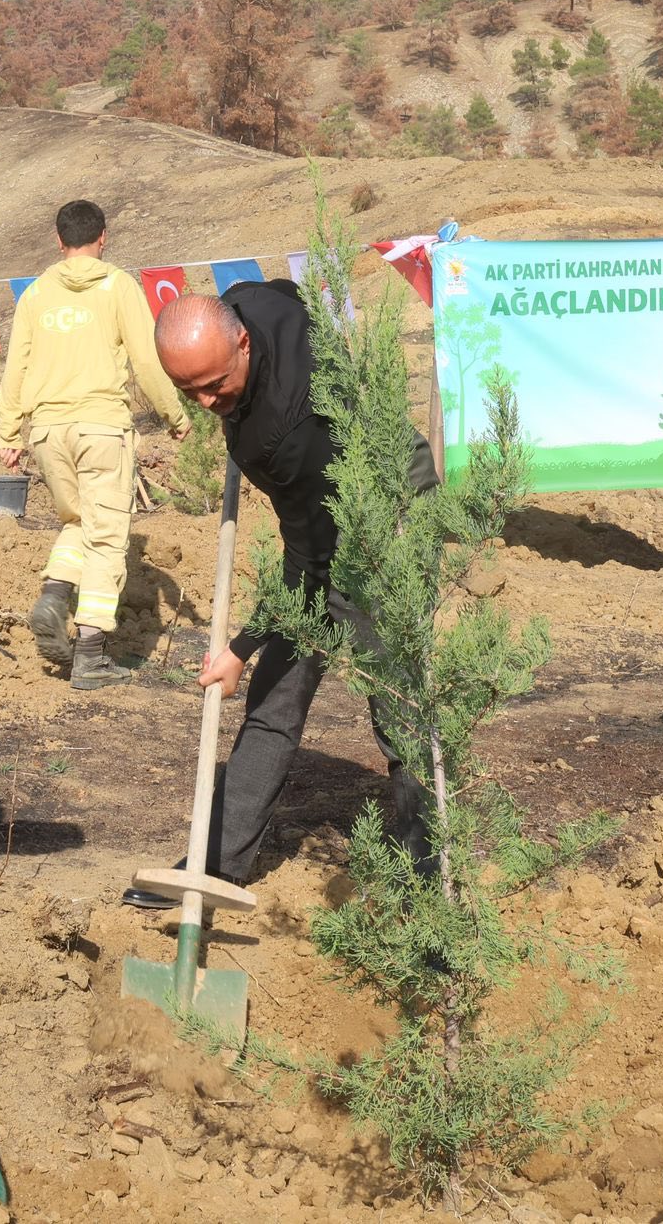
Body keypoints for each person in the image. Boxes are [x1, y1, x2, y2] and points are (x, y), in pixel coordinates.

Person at [123, 284, 438, 907]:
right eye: (191, 392)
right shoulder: (247, 302)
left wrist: (240, 646)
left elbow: (309, 562)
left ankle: (426, 881)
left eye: (216, 385)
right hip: (322, 504)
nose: (208, 403)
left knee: (398, 705)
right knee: (275, 696)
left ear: (241, 342)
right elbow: (289, 292)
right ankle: (218, 863)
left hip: (389, 520)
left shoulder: (282, 432)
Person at [0, 200, 191, 690]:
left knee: (79, 521)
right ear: (103, 237)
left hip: (46, 431)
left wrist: (9, 433)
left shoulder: (36, 293)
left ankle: (55, 593)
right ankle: (89, 655)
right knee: (107, 539)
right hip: (101, 427)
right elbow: (147, 359)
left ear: (58, 241)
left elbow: (15, 367)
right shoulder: (117, 286)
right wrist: (174, 413)